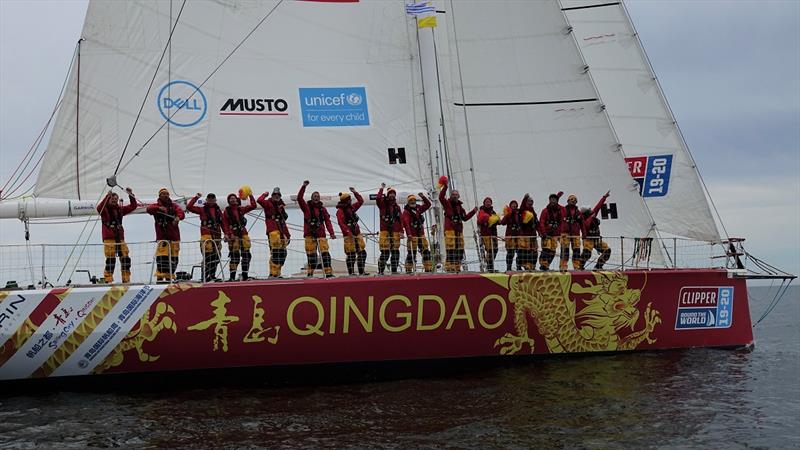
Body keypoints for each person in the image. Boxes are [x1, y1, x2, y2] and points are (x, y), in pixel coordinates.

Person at [97, 187, 137, 283]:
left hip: (120, 238)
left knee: (125, 259)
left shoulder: (120, 209)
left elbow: (133, 206)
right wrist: (107, 196)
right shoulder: (105, 209)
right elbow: (99, 208)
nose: (114, 201)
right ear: (109, 200)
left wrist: (131, 195)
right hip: (109, 238)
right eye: (112, 199)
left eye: (116, 199)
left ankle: (126, 279)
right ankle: (108, 279)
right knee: (111, 260)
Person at [438, 177, 477, 273]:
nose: (455, 196)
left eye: (456, 195)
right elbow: (441, 198)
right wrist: (445, 186)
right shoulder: (447, 204)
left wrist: (473, 211)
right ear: (451, 196)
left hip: (459, 230)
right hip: (450, 229)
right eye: (453, 195)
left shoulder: (460, 207)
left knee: (459, 250)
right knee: (450, 249)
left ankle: (457, 266)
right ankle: (449, 267)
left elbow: (465, 218)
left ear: (458, 196)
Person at [298, 181, 336, 278]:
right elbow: (299, 198)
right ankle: (310, 274)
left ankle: (328, 273)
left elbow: (327, 221)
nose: (316, 197)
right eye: (315, 196)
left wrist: (331, 233)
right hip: (309, 236)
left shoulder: (323, 209)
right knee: (312, 257)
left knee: (325, 254)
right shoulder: (306, 208)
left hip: (321, 235)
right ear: (311, 198)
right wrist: (303, 187)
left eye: (318, 196)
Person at [146, 188, 185, 282]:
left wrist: (178, 218)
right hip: (162, 237)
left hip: (174, 236)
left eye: (167, 194)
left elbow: (181, 213)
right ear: (159, 196)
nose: (165, 195)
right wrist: (159, 208)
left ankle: (169, 277)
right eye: (163, 194)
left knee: (174, 258)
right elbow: (149, 209)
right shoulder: (155, 206)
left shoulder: (174, 206)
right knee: (162, 258)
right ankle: (160, 277)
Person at [187, 193, 223, 282]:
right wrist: (196, 197)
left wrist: (227, 234)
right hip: (206, 235)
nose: (211, 200)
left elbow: (223, 223)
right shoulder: (202, 209)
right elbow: (189, 207)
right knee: (208, 256)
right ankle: (205, 276)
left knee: (217, 256)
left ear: (215, 200)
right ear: (206, 200)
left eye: (212, 199)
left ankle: (212, 276)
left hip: (217, 235)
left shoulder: (218, 211)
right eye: (209, 199)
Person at [222, 191, 257, 281]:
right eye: (231, 198)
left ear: (237, 199)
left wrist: (250, 195)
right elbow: (225, 224)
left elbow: (253, 206)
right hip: (233, 235)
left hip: (243, 234)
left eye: (234, 198)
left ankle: (245, 275)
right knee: (235, 256)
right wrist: (228, 234)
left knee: (247, 255)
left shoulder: (240, 209)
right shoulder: (226, 212)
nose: (233, 199)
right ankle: (232, 277)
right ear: (229, 201)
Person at [258, 187, 291, 278]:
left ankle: (277, 273)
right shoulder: (267, 203)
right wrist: (265, 194)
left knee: (283, 254)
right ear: (272, 196)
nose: (277, 196)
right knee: (276, 252)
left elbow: (283, 222)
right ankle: (273, 273)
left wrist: (288, 235)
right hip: (273, 231)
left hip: (281, 231)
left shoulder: (281, 207)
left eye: (278, 195)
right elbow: (259, 200)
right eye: (275, 195)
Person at [336, 187, 367, 276]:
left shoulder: (352, 208)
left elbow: (361, 201)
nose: (350, 201)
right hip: (349, 236)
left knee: (362, 253)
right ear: (345, 201)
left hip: (357, 234)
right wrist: (349, 233)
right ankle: (351, 272)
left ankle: (361, 271)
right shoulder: (340, 211)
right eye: (349, 200)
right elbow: (341, 224)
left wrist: (355, 192)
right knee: (351, 254)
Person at [376, 183, 404, 274]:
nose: (392, 195)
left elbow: (401, 220)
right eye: (390, 193)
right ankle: (380, 271)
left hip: (395, 232)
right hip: (385, 231)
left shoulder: (397, 207)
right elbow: (378, 198)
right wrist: (381, 189)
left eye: (393, 193)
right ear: (387, 195)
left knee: (395, 252)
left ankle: (394, 271)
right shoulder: (383, 205)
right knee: (385, 252)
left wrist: (401, 231)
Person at [401, 192, 433, 273]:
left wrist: (423, 197)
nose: (413, 201)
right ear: (408, 202)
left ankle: (428, 268)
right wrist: (409, 234)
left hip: (421, 235)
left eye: (414, 200)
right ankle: (408, 269)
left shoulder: (419, 208)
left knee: (426, 252)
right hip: (412, 236)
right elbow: (406, 223)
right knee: (412, 254)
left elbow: (428, 204)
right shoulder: (406, 212)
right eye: (411, 200)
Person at [580, 191, 612, 270]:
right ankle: (580, 266)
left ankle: (598, 266)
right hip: (588, 240)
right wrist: (592, 217)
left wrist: (604, 197)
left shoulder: (592, 214)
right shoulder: (583, 219)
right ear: (586, 213)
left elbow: (598, 206)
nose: (591, 210)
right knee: (587, 253)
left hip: (597, 239)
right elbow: (586, 225)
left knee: (607, 250)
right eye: (589, 210)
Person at [537, 191, 564, 271]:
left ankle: (547, 265)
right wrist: (544, 233)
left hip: (555, 235)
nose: (552, 201)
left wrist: (559, 234)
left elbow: (561, 223)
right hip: (547, 235)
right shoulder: (545, 211)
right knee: (546, 249)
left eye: (554, 200)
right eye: (551, 199)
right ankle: (543, 265)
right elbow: (541, 222)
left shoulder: (559, 211)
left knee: (553, 251)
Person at [476, 197, 501, 272]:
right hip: (486, 234)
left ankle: (490, 265)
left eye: (489, 202)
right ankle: (490, 267)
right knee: (490, 250)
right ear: (484, 203)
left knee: (495, 250)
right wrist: (486, 218)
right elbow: (479, 221)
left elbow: (498, 222)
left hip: (493, 234)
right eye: (486, 202)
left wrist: (498, 221)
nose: (488, 203)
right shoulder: (482, 211)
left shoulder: (493, 211)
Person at [562, 194, 584, 271]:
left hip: (575, 234)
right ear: (568, 201)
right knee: (565, 251)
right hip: (565, 234)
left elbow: (582, 224)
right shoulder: (563, 210)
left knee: (577, 251)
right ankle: (563, 266)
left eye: (574, 200)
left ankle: (576, 266)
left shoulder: (578, 212)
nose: (573, 201)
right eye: (571, 199)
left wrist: (584, 234)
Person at [518, 193, 539, 271]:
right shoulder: (523, 211)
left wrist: (540, 232)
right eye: (528, 201)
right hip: (525, 235)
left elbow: (537, 222)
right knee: (525, 251)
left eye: (531, 202)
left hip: (533, 235)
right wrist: (524, 198)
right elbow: (521, 208)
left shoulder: (533, 211)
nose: (530, 203)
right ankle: (525, 265)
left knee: (534, 251)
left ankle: (532, 265)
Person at [500, 200, 521, 272]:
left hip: (518, 236)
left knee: (519, 252)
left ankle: (519, 267)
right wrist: (508, 214)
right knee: (510, 253)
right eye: (512, 204)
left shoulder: (519, 213)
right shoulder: (508, 214)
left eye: (515, 204)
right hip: (510, 236)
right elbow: (502, 222)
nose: (514, 205)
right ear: (510, 206)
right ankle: (509, 267)